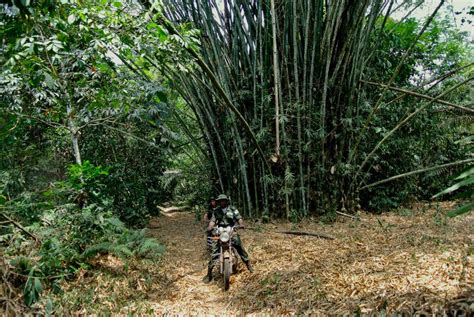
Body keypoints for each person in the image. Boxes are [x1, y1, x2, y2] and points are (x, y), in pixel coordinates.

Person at [203, 194, 253, 283]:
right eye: (220, 201)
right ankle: (209, 274)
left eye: (224, 200)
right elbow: (212, 221)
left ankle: (249, 265)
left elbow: (239, 218)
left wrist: (241, 224)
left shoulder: (233, 209)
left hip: (231, 230)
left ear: (227, 201)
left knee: (239, 245)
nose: (222, 202)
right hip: (220, 231)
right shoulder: (216, 210)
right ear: (219, 202)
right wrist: (210, 227)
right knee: (214, 251)